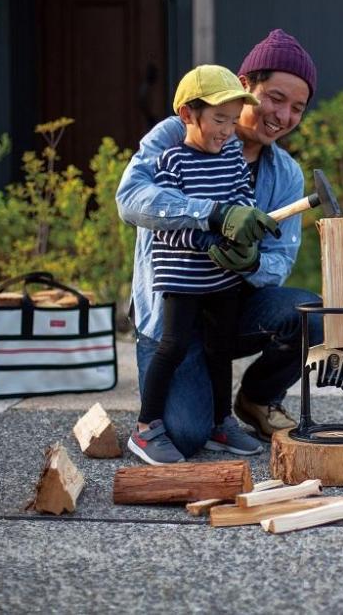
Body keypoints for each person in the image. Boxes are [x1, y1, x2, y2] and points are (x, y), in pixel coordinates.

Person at [116, 29, 324, 459]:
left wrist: (250, 262)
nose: (283, 116)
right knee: (186, 437)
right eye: (275, 98)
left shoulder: (286, 175)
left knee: (312, 315)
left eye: (297, 108)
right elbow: (130, 200)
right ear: (244, 87)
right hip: (172, 308)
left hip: (228, 305)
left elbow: (279, 261)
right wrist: (213, 214)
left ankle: (255, 400)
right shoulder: (178, 133)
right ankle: (160, 422)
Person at [127, 64, 273, 465]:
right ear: (188, 115)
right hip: (182, 277)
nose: (227, 130)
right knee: (172, 347)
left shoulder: (230, 156)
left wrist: (245, 233)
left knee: (220, 348)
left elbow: (243, 197)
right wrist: (213, 238)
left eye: (232, 120)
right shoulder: (172, 161)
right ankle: (145, 428)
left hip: (221, 277)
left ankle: (221, 422)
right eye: (218, 119)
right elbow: (168, 229)